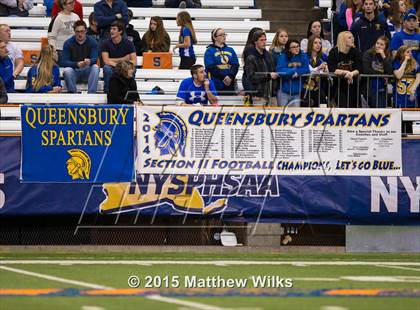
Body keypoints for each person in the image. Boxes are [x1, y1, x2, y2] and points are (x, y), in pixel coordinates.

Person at [61, 20, 100, 93]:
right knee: (67, 70)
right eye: (77, 31)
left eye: (82, 31)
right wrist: (77, 64)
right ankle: (73, 94)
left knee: (95, 67)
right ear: (74, 32)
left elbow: (95, 59)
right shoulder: (68, 43)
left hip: (87, 71)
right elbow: (63, 62)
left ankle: (91, 95)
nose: (80, 34)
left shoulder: (93, 41)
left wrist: (89, 61)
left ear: (86, 31)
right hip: (74, 71)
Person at [327, 31, 362, 107]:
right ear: (342, 40)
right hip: (339, 87)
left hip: (353, 86)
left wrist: (351, 73)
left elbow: (359, 68)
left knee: (355, 109)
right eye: (349, 37)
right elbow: (332, 69)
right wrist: (346, 72)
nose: (353, 39)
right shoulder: (334, 52)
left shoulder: (355, 51)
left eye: (352, 37)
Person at [244, 30, 278, 106]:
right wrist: (268, 76)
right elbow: (251, 76)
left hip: (271, 94)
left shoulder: (269, 55)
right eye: (261, 40)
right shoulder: (251, 57)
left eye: (265, 40)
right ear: (255, 41)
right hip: (258, 95)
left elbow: (273, 71)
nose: (264, 42)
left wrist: (275, 88)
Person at [101, 21, 136, 92]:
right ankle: (108, 91)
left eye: (114, 29)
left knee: (132, 69)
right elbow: (106, 60)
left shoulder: (129, 43)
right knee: (106, 68)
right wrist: (123, 60)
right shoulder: (105, 43)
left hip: (125, 67)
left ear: (120, 31)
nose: (111, 31)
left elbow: (134, 61)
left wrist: (121, 65)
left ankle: (130, 91)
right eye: (111, 29)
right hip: (113, 66)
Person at [204, 28, 239, 95]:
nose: (224, 36)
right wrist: (224, 77)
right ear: (215, 37)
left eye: (224, 34)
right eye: (221, 35)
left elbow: (235, 65)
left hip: (230, 83)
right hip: (216, 84)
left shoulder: (230, 49)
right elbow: (210, 67)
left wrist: (230, 76)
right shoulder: (209, 51)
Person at [362, 35, 393, 108]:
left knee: (382, 108)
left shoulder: (387, 56)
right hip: (369, 87)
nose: (378, 46)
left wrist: (383, 56)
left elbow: (389, 71)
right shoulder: (368, 54)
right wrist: (382, 75)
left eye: (382, 44)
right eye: (377, 43)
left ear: (386, 47)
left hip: (383, 87)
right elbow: (367, 71)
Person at [277, 40, 309, 107]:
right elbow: (280, 70)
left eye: (298, 46)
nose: (296, 48)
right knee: (283, 115)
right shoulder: (283, 56)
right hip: (284, 91)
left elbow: (306, 69)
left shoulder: (303, 55)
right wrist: (293, 71)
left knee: (295, 114)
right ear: (289, 49)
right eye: (294, 47)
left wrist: (297, 72)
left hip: (297, 92)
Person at [302, 35, 329, 107]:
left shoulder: (324, 56)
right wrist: (319, 68)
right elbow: (307, 70)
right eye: (315, 43)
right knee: (305, 111)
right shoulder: (304, 56)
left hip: (319, 89)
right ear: (310, 44)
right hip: (305, 89)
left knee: (323, 108)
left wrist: (326, 69)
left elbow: (327, 72)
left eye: (320, 43)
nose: (318, 45)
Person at [241, 27, 263, 105]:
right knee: (251, 106)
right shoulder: (250, 49)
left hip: (253, 78)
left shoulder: (259, 48)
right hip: (249, 79)